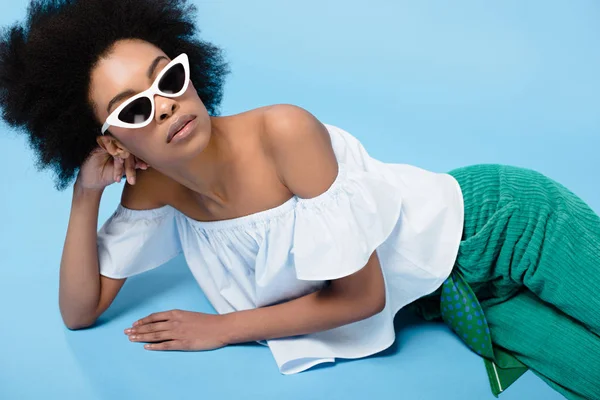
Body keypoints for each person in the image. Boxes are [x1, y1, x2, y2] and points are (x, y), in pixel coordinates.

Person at [1, 1, 598, 399]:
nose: (164, 104)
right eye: (134, 108)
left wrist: (223, 329)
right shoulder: (157, 189)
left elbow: (362, 296)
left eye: (169, 77)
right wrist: (85, 195)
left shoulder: (284, 131)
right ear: (113, 140)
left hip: (498, 225)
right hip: (444, 299)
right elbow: (80, 313)